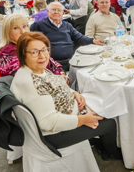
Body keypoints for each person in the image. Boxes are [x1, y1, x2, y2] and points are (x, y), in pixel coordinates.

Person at [11, 32, 122, 160]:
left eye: (44, 50)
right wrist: (83, 120)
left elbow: (55, 84)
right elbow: (48, 122)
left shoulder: (35, 69)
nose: (42, 56)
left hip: (69, 112)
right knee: (109, 123)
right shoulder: (30, 82)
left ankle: (96, 140)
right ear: (22, 54)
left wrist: (74, 93)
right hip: (55, 135)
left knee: (106, 102)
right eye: (34, 52)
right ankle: (110, 153)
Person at [30, 2, 102, 72]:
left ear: (62, 13)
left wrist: (93, 41)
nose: (56, 12)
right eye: (53, 10)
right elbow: (30, 42)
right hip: (51, 63)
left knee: (93, 69)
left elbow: (79, 37)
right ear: (48, 11)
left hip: (71, 61)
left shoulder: (67, 25)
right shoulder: (39, 25)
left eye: (59, 10)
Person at [0, 14, 65, 77]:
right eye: (16, 28)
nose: (23, 31)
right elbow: (31, 78)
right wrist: (58, 79)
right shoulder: (11, 52)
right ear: (7, 32)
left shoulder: (26, 45)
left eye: (24, 26)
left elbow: (49, 61)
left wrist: (61, 72)